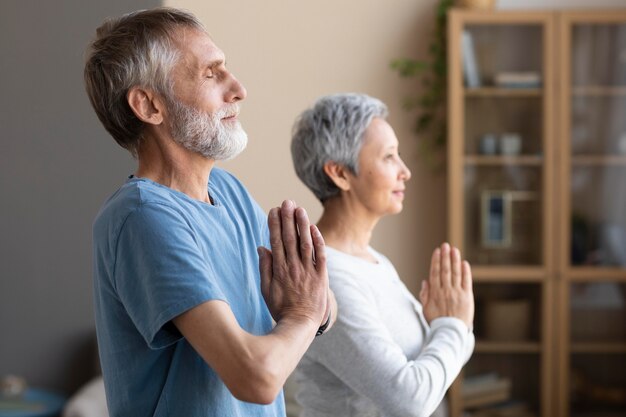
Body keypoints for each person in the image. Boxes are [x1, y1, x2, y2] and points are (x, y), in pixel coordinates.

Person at [84, 8, 336, 417]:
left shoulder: (228, 191)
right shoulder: (142, 216)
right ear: (149, 106)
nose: (238, 89)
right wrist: (305, 315)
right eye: (210, 74)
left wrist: (309, 308)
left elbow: (323, 301)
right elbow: (255, 377)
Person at [290, 93, 475, 417]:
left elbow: (445, 356)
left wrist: (446, 327)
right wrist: (453, 326)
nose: (405, 171)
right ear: (340, 173)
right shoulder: (329, 279)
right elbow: (411, 400)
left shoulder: (372, 262)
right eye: (389, 157)